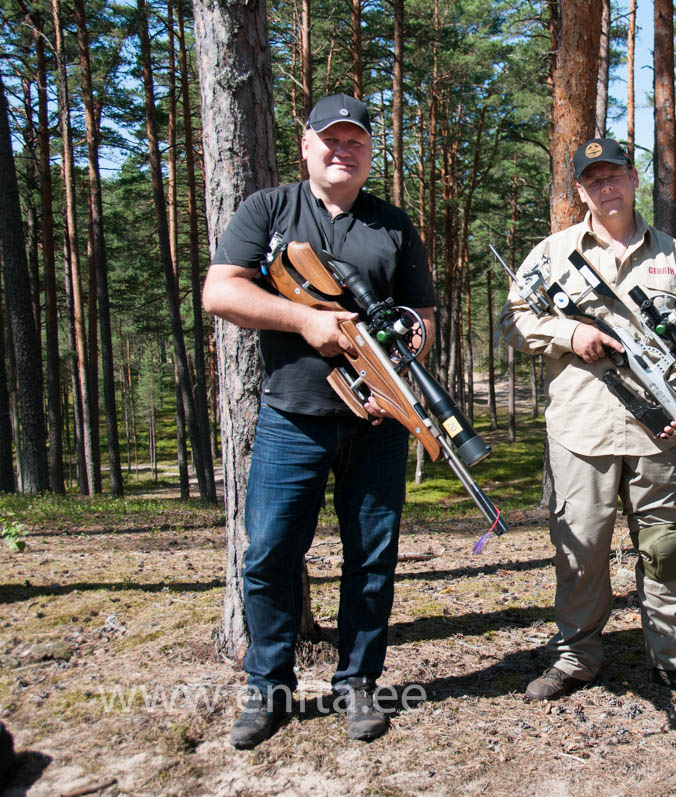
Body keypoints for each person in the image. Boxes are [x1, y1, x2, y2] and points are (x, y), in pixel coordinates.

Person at [202, 93, 437, 748]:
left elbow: (424, 318)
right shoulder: (270, 210)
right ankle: (268, 686)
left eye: (356, 141)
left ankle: (357, 682)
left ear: (369, 153)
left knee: (373, 557)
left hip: (379, 419)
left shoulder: (392, 224)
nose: (343, 150)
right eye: (330, 139)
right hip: (290, 417)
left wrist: (401, 348)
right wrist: (304, 319)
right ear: (306, 144)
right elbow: (220, 289)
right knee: (271, 552)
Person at [499, 138, 676, 703]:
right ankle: (576, 657)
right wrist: (568, 333)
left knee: (665, 547)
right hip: (582, 429)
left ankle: (674, 657)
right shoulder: (550, 253)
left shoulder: (675, 254)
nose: (606, 187)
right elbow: (513, 318)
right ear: (580, 190)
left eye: (615, 174)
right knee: (581, 548)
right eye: (593, 179)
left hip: (658, 430)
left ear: (633, 178)